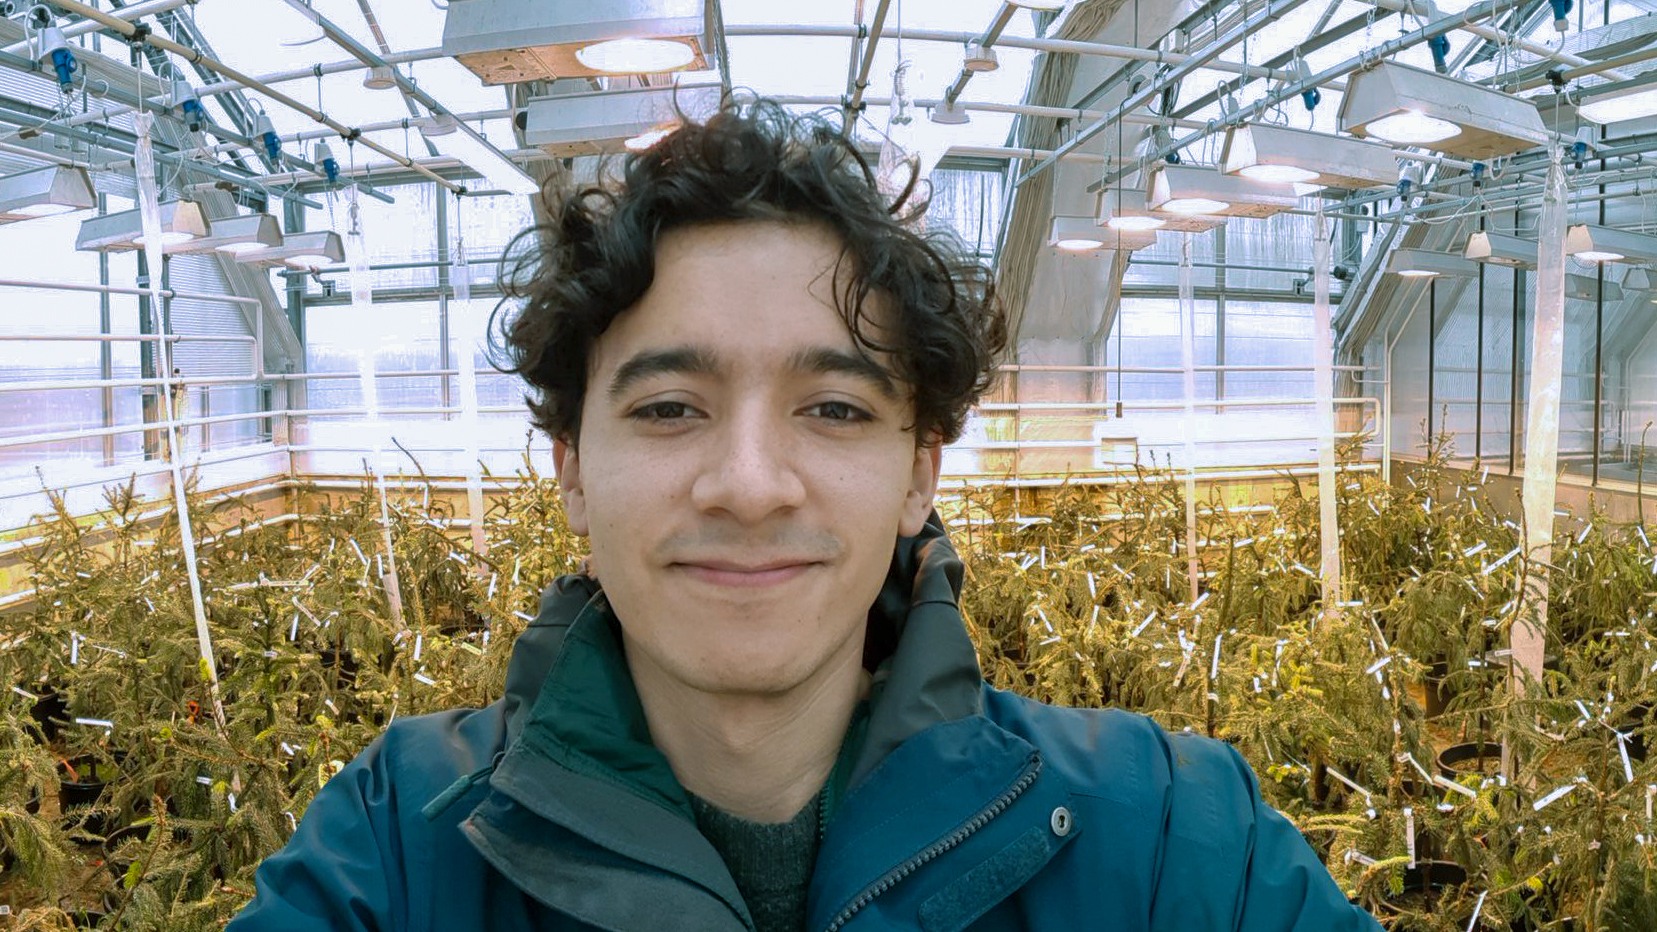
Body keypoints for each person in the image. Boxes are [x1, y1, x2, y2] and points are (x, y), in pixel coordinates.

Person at [227, 96, 1381, 932]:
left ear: (919, 470)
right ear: (571, 467)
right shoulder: (399, 847)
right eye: (669, 407)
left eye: (832, 407)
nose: (748, 482)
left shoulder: (1171, 838)